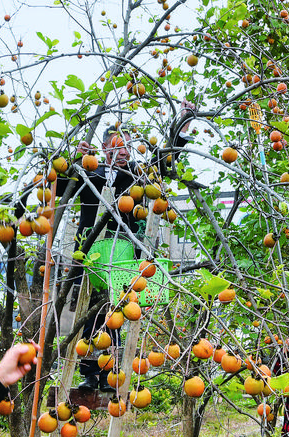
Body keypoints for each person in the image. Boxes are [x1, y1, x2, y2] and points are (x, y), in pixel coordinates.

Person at [68, 102, 195, 391]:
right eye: (118, 145)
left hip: (124, 251)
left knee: (117, 308)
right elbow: (62, 187)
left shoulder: (139, 175)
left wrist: (182, 124)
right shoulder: (90, 170)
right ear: (105, 147)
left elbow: (165, 163)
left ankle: (108, 374)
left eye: (128, 145)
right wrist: (72, 160)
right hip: (89, 253)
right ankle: (89, 372)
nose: (124, 150)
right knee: (90, 310)